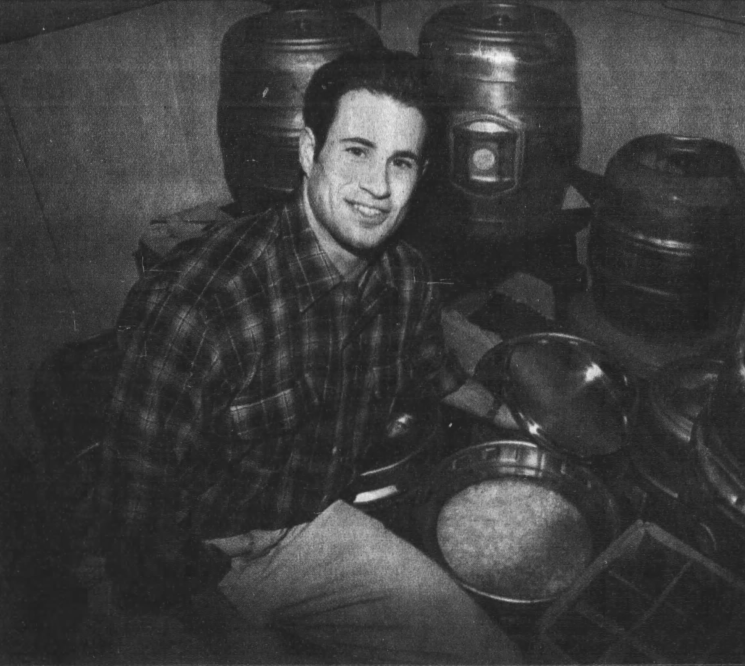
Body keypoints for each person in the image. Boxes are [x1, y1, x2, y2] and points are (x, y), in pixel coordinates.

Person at [94, 49, 521, 664]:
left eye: (400, 162)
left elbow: (432, 372)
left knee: (492, 657)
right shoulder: (199, 309)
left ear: (420, 175)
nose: (378, 187)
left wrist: (519, 418)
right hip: (189, 560)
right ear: (307, 150)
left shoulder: (403, 277)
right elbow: (130, 526)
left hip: (306, 529)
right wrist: (209, 590)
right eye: (357, 151)